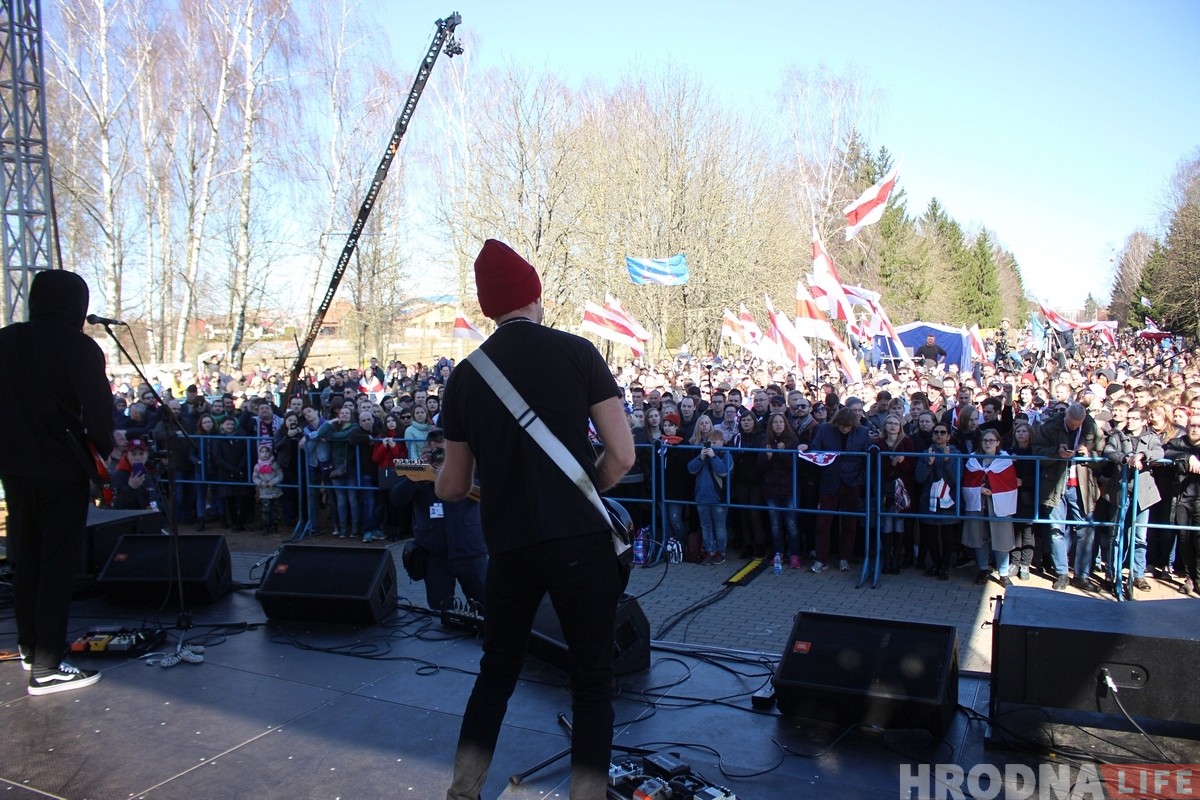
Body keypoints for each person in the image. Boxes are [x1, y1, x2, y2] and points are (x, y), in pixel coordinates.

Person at [436, 239, 634, 800]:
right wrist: (581, 489)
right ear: (536, 296)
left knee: (496, 674)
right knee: (591, 683)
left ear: (489, 309)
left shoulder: (465, 378)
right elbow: (621, 455)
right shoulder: (578, 352)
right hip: (581, 541)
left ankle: (463, 791)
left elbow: (452, 485)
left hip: (511, 547)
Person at [0, 270, 114, 695]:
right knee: (56, 563)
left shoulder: (6, 340)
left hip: (13, 466)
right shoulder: (79, 347)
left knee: (25, 557)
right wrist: (102, 447)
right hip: (61, 466)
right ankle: (47, 665)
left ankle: (30, 647)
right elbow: (99, 413)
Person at [389, 428, 486, 612]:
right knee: (440, 610)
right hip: (435, 554)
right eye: (436, 452)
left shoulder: (470, 467)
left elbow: (486, 494)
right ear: (427, 451)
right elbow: (397, 499)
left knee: (485, 606)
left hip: (470, 550)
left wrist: (457, 471)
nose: (441, 457)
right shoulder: (417, 471)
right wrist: (419, 472)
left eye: (445, 452)